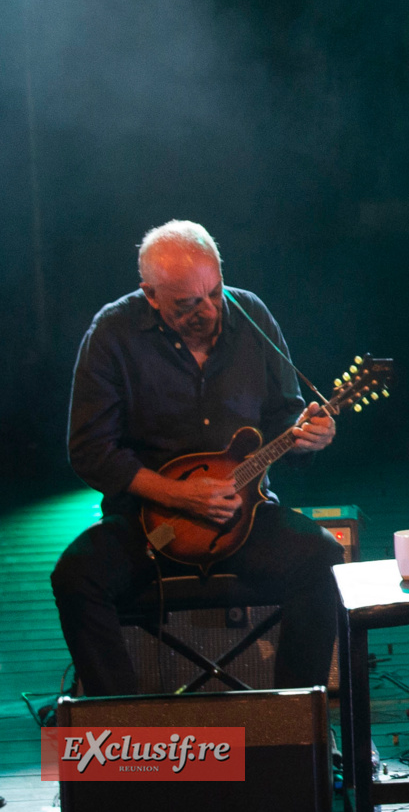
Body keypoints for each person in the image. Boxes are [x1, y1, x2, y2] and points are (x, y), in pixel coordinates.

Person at [52, 220, 345, 696]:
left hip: (244, 515)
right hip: (148, 521)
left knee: (324, 561)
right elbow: (89, 450)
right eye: (187, 303)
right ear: (150, 294)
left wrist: (310, 435)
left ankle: (296, 726)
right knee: (76, 577)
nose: (207, 310)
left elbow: (285, 415)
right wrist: (177, 494)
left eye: (215, 292)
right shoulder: (112, 332)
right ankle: (129, 736)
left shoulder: (251, 315)